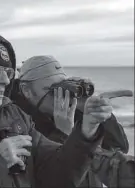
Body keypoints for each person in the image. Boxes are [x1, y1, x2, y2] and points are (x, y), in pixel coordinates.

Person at [0, 24, 111, 188]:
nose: (6, 81)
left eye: (8, 72)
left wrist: (86, 132)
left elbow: (56, 176)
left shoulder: (14, 115)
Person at [11, 55, 132, 187]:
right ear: (27, 91)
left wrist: (99, 114)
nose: (61, 96)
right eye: (52, 90)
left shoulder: (74, 112)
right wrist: (63, 135)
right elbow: (53, 178)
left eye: (62, 87)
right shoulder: (16, 123)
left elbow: (119, 147)